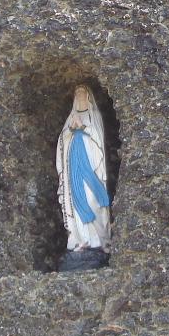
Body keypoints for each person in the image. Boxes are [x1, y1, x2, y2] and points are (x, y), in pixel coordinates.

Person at [55, 85, 111, 270]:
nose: (79, 98)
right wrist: (71, 130)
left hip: (90, 166)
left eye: (82, 95)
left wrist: (84, 127)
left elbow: (97, 139)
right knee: (77, 200)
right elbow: (62, 142)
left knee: (92, 198)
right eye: (77, 95)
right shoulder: (70, 119)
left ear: (88, 98)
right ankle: (81, 238)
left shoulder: (93, 118)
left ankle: (98, 239)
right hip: (74, 166)